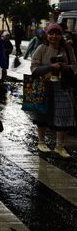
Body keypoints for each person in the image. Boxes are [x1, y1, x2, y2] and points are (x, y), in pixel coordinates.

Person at [30, 24, 77, 157]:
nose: (54, 37)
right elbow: (34, 68)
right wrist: (50, 67)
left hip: (62, 86)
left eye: (57, 34)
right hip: (44, 85)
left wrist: (64, 67)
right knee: (42, 113)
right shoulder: (42, 48)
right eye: (51, 34)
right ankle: (41, 142)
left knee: (65, 114)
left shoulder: (67, 48)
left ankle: (59, 146)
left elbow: (74, 66)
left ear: (61, 35)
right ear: (47, 35)